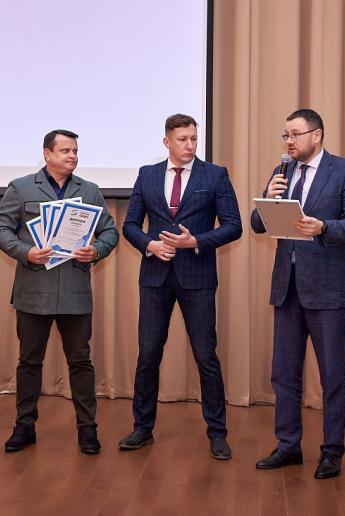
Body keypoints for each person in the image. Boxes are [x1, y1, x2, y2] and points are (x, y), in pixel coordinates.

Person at [251, 108, 345, 479]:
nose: (288, 142)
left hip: (330, 290)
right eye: (285, 135)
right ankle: (288, 446)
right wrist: (266, 196)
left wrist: (324, 227)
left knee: (332, 375)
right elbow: (258, 223)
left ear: (316, 135)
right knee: (283, 374)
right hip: (288, 288)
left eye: (295, 134)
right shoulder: (282, 172)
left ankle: (332, 451)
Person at [119, 114, 242, 460]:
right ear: (167, 142)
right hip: (155, 277)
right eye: (183, 139)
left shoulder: (214, 175)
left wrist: (196, 241)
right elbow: (130, 225)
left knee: (206, 355)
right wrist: (150, 245)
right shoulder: (147, 174)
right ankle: (142, 428)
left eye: (193, 139)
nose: (190, 145)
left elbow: (233, 226)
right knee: (148, 355)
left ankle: (217, 433)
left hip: (197, 278)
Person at [0, 129, 119, 455]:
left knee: (81, 363)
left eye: (75, 151)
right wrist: (26, 252)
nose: (72, 156)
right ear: (47, 154)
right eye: (65, 151)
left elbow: (110, 232)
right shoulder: (21, 187)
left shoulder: (89, 191)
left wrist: (97, 250)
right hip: (34, 291)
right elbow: (0, 230)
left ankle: (87, 429)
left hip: (75, 292)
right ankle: (24, 427)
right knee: (29, 362)